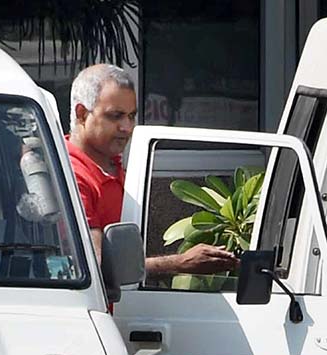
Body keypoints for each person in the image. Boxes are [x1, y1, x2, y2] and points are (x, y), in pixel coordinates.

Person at [66, 64, 238, 278]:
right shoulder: (72, 176)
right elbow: (96, 268)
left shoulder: (113, 166)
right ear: (82, 114)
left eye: (131, 116)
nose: (127, 127)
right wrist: (179, 263)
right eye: (115, 116)